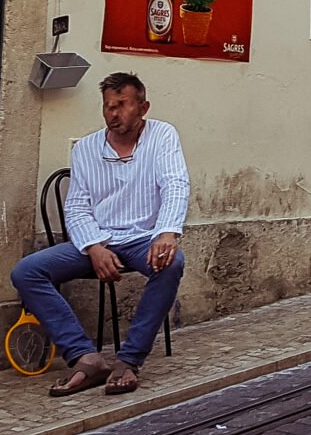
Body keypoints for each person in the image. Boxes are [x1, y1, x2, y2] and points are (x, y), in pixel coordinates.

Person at [12, 72, 189, 397]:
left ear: (143, 107)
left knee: (172, 262)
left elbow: (175, 184)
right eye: (108, 106)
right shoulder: (87, 149)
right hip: (97, 241)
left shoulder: (162, 135)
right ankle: (85, 357)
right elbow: (77, 207)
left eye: (121, 105)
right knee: (27, 271)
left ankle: (129, 360)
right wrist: (93, 246)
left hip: (142, 239)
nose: (113, 113)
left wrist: (167, 232)